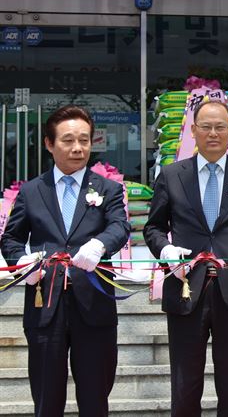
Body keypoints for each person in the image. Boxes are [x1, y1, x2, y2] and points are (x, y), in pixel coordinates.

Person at [143, 101, 228, 416]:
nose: (212, 133)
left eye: (219, 127)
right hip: (187, 289)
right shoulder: (172, 175)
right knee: (185, 386)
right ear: (193, 131)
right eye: (205, 126)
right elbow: (154, 228)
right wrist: (166, 251)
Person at [0, 105, 130, 417]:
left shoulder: (108, 189)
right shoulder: (32, 191)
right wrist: (24, 263)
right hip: (46, 307)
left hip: (94, 307)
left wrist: (99, 244)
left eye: (84, 140)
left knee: (96, 398)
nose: (77, 148)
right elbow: (11, 239)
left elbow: (119, 226)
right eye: (68, 140)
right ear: (49, 144)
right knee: (46, 398)